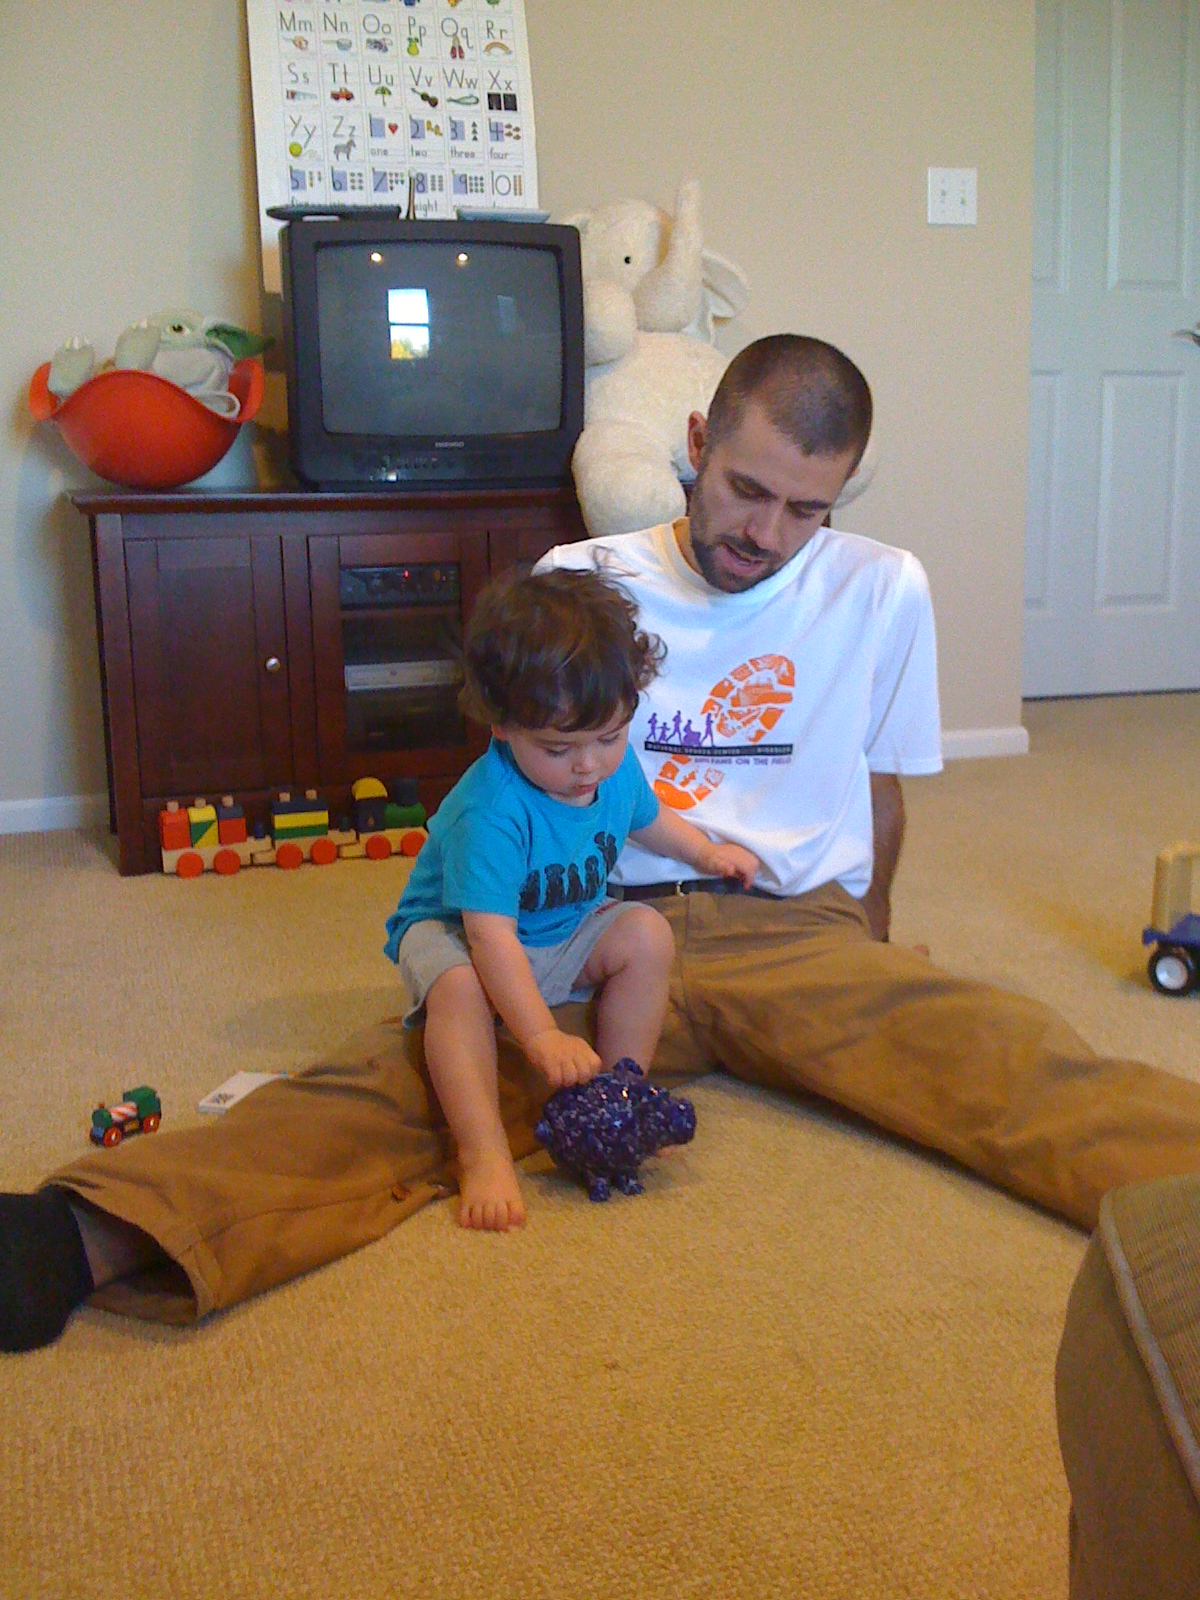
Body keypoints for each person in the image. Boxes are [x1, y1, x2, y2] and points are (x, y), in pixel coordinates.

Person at [5, 331, 1200, 1356]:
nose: (767, 532)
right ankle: (91, 1230)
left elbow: (881, 793)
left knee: (999, 1052)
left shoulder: (884, 588)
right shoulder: (584, 577)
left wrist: (870, 946)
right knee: (421, 1076)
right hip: (590, 919)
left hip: (792, 927)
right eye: (746, 488)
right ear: (697, 441)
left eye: (807, 508)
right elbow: (517, 789)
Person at [384, 567, 758, 1231]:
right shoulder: (490, 811)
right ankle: (483, 1152)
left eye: (609, 738)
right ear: (501, 725)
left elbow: (648, 819)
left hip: (560, 927)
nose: (588, 764)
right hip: (462, 931)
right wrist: (541, 1037)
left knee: (647, 933)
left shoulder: (610, 768)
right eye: (558, 748)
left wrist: (705, 854)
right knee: (461, 988)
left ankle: (621, 1092)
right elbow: (489, 935)